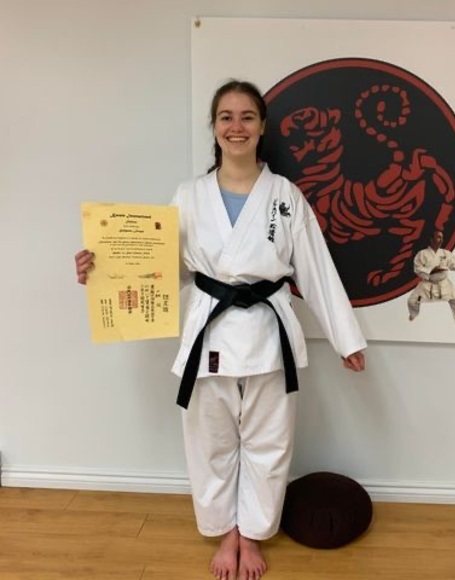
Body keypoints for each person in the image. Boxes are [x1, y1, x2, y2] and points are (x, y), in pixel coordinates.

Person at [75, 79, 367, 580]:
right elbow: (162, 267)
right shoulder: (189, 195)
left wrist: (347, 339)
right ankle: (225, 530)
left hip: (270, 334)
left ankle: (251, 533)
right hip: (209, 332)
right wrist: (102, 268)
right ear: (213, 127)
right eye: (226, 117)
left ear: (262, 126)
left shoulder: (284, 195)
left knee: (269, 443)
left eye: (247, 116)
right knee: (209, 442)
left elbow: (316, 268)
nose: (237, 126)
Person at [407, 229, 455, 329]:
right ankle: (413, 314)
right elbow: (417, 268)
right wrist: (432, 271)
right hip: (427, 284)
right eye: (438, 237)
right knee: (412, 301)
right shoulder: (422, 254)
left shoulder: (446, 253)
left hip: (444, 284)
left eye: (442, 238)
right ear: (431, 239)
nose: (441, 240)